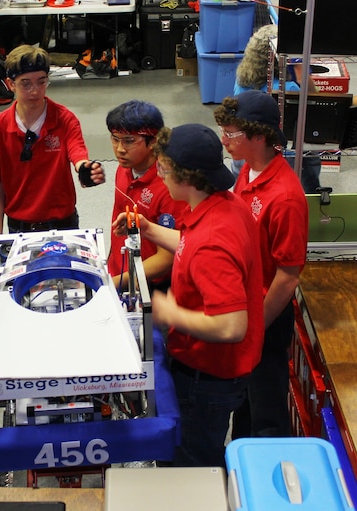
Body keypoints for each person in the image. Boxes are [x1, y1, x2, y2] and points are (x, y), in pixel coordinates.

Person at [113, 124, 264, 467]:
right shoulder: (224, 205)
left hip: (206, 378)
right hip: (215, 371)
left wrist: (171, 313)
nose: (160, 175)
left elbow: (231, 326)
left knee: (190, 463)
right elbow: (190, 246)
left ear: (186, 177)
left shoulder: (213, 241)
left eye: (164, 168)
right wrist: (149, 229)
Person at [214, 90, 308, 438]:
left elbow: (287, 277)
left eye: (232, 134)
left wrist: (256, 326)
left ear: (258, 134)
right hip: (245, 308)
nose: (225, 141)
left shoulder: (284, 197)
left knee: (266, 410)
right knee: (244, 402)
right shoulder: (248, 173)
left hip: (266, 316)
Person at [0, 44, 104, 234]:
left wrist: (85, 169)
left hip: (63, 224)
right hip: (18, 226)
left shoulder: (64, 119)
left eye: (41, 81)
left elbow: (77, 152)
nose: (35, 90)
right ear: (11, 84)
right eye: (26, 83)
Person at [105, 100, 187, 291]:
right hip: (119, 274)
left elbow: (166, 259)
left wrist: (111, 284)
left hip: (149, 284)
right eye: (115, 139)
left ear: (154, 141)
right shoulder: (124, 168)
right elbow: (117, 228)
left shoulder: (170, 187)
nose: (119, 149)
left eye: (129, 141)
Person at [232, 23, 321, 192]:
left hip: (245, 152)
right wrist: (301, 70)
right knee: (310, 156)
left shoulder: (241, 81)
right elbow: (314, 103)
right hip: (282, 155)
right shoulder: (290, 88)